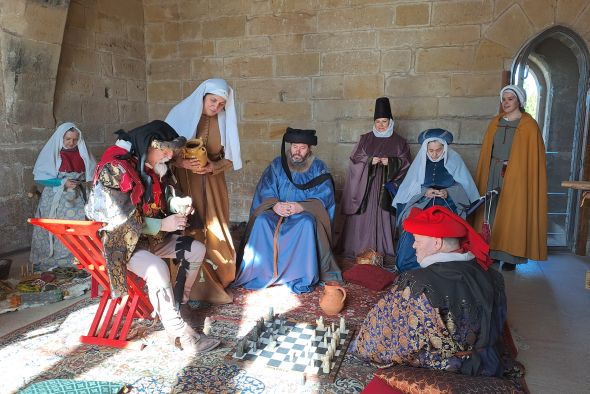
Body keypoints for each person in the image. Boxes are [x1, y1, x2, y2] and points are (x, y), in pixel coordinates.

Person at [85, 120, 220, 354]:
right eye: (164, 149)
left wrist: (178, 204)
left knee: (196, 249)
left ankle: (179, 304)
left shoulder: (154, 166)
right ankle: (179, 333)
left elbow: (162, 199)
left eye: (171, 151)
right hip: (123, 247)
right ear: (147, 145)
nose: (169, 155)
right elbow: (116, 221)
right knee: (157, 268)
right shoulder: (115, 169)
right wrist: (161, 224)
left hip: (151, 241)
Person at [352, 206, 506, 377]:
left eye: (417, 239)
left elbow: (380, 340)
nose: (413, 245)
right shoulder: (493, 275)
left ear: (437, 242)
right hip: (489, 361)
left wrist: (362, 343)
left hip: (449, 368)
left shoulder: (418, 283)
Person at [232, 127, 342, 293]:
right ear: (290, 146)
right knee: (262, 220)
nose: (297, 151)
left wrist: (301, 206)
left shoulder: (318, 167)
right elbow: (265, 188)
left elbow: (325, 195)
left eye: (302, 147)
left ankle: (299, 275)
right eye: (295, 146)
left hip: (302, 213)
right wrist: (275, 205)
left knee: (306, 224)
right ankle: (259, 272)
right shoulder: (277, 165)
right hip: (277, 210)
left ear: (309, 148)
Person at [165, 78, 241, 304]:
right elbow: (162, 152)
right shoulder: (179, 113)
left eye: (220, 104)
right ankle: (185, 285)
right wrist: (182, 164)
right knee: (188, 226)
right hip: (184, 183)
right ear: (203, 97)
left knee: (216, 227)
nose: (215, 107)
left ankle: (218, 279)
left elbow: (230, 159)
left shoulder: (224, 120)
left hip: (213, 184)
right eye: (212, 100)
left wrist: (212, 166)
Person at [473, 84, 547, 271]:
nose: (506, 102)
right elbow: (487, 152)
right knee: (491, 210)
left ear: (519, 101)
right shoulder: (495, 123)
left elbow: (532, 158)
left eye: (510, 99)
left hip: (517, 175)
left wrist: (514, 168)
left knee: (513, 212)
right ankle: (492, 252)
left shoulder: (529, 126)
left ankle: (511, 257)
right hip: (493, 172)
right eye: (504, 99)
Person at [392, 129, 480, 272]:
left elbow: (463, 186)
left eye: (438, 150)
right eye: (431, 150)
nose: (434, 154)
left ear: (444, 148)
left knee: (444, 229)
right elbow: (410, 188)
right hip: (423, 202)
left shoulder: (455, 160)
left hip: (447, 203)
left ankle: (442, 266)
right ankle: (411, 264)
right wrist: (424, 191)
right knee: (414, 226)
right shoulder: (420, 162)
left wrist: (448, 192)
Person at [338, 97, 411, 262]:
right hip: (366, 187)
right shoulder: (365, 139)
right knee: (362, 219)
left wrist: (390, 162)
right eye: (378, 122)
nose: (381, 125)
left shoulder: (400, 142)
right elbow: (355, 160)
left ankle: (382, 251)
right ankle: (360, 250)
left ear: (390, 121)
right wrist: (370, 160)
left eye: (384, 121)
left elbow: (406, 163)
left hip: (386, 188)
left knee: (385, 217)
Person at [30, 122, 96, 271]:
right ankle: (57, 259)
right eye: (67, 139)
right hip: (56, 196)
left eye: (74, 139)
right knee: (59, 225)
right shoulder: (53, 153)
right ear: (61, 138)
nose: (71, 142)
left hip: (78, 195)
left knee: (81, 223)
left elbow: (91, 173)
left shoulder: (82, 152)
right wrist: (62, 182)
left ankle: (77, 258)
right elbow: (40, 178)